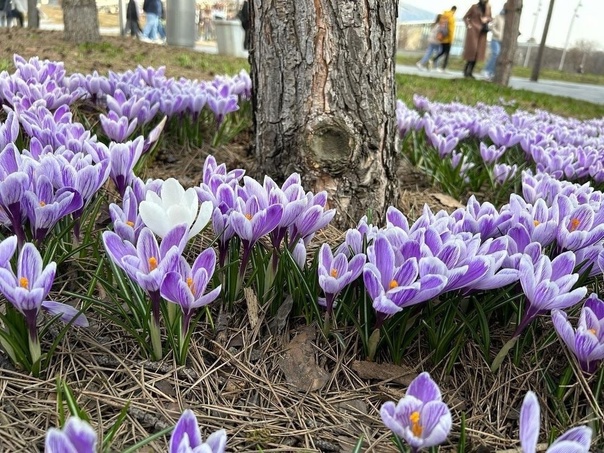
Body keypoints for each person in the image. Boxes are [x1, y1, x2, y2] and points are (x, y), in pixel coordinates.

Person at [462, 0, 492, 79]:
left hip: (482, 33)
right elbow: (465, 17)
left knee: (478, 53)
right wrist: (469, 26)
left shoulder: (488, 7)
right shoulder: (474, 7)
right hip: (473, 31)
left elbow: (490, 18)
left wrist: (486, 19)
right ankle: (466, 70)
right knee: (472, 50)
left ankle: (470, 72)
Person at [432, 5, 457, 73]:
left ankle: (434, 59)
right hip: (448, 39)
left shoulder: (444, 15)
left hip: (442, 37)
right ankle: (444, 68)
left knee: (442, 51)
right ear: (454, 10)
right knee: (447, 54)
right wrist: (451, 39)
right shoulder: (451, 17)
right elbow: (451, 30)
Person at [483, 9, 504, 81]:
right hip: (495, 39)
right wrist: (497, 33)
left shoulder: (509, 19)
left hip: (503, 41)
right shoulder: (498, 17)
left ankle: (493, 73)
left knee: (499, 57)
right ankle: (487, 71)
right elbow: (491, 26)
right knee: (495, 54)